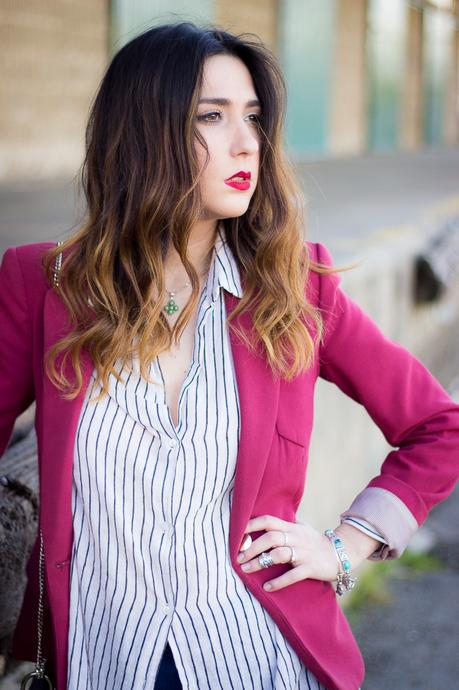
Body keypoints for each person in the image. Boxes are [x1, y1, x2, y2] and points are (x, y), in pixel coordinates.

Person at [0, 21, 458, 690]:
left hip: (255, 656)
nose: (247, 143)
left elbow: (438, 427)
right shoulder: (41, 287)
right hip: (102, 660)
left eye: (252, 118)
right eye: (211, 118)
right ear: (142, 131)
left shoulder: (296, 289)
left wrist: (344, 547)